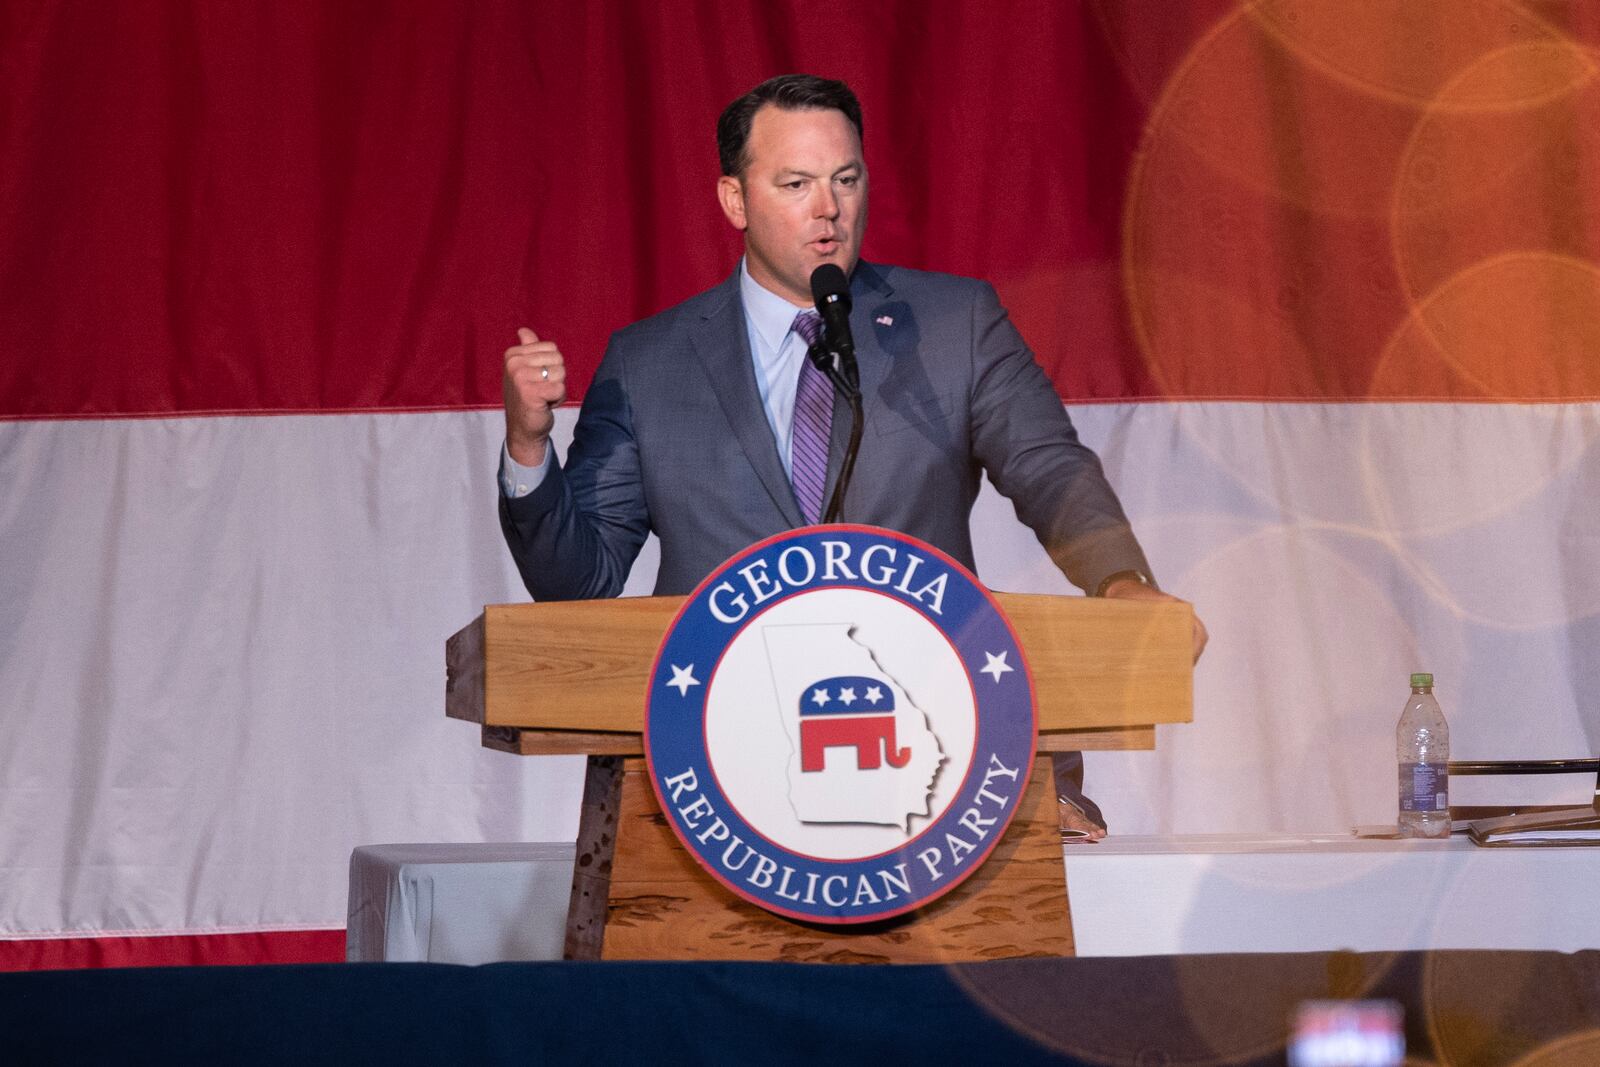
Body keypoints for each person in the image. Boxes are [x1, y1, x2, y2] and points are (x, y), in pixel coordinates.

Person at [497, 74, 1207, 840]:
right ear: (735, 200)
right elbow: (581, 580)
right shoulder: (650, 363)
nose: (828, 209)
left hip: (938, 755)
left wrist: (1122, 581)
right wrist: (529, 447)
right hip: (714, 771)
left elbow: (1051, 469)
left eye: (845, 179)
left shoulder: (950, 324)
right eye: (795, 183)